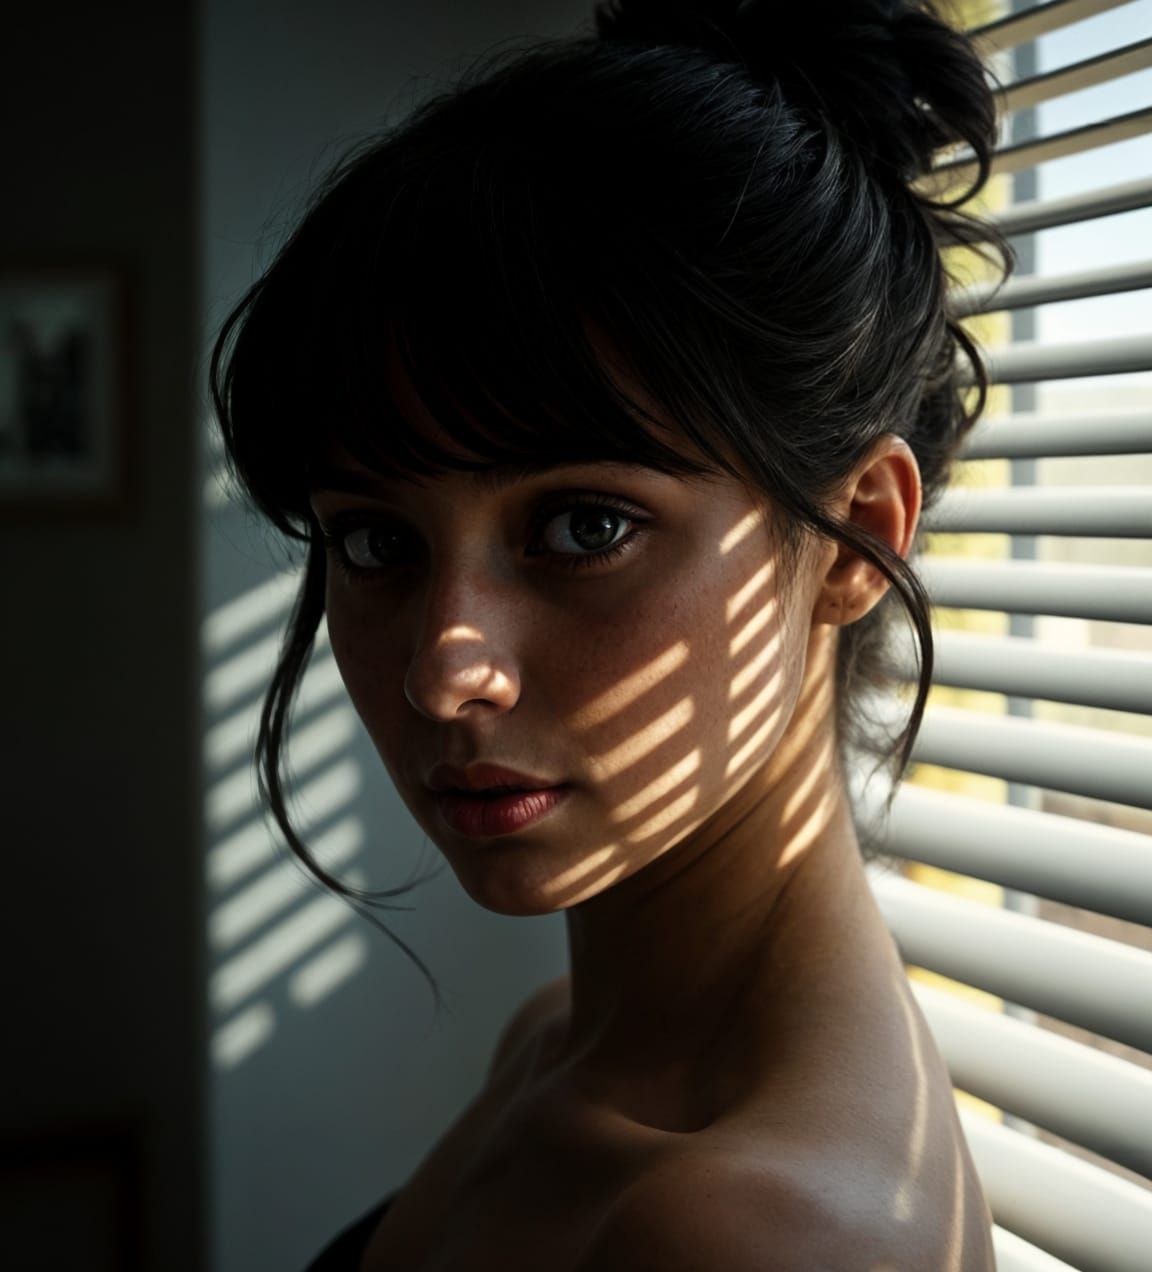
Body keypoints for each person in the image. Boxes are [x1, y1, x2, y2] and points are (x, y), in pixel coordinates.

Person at [210, 0, 1011, 1266]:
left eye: (584, 527)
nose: (442, 667)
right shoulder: (557, 1041)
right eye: (375, 541)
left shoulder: (761, 1237)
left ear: (857, 538)